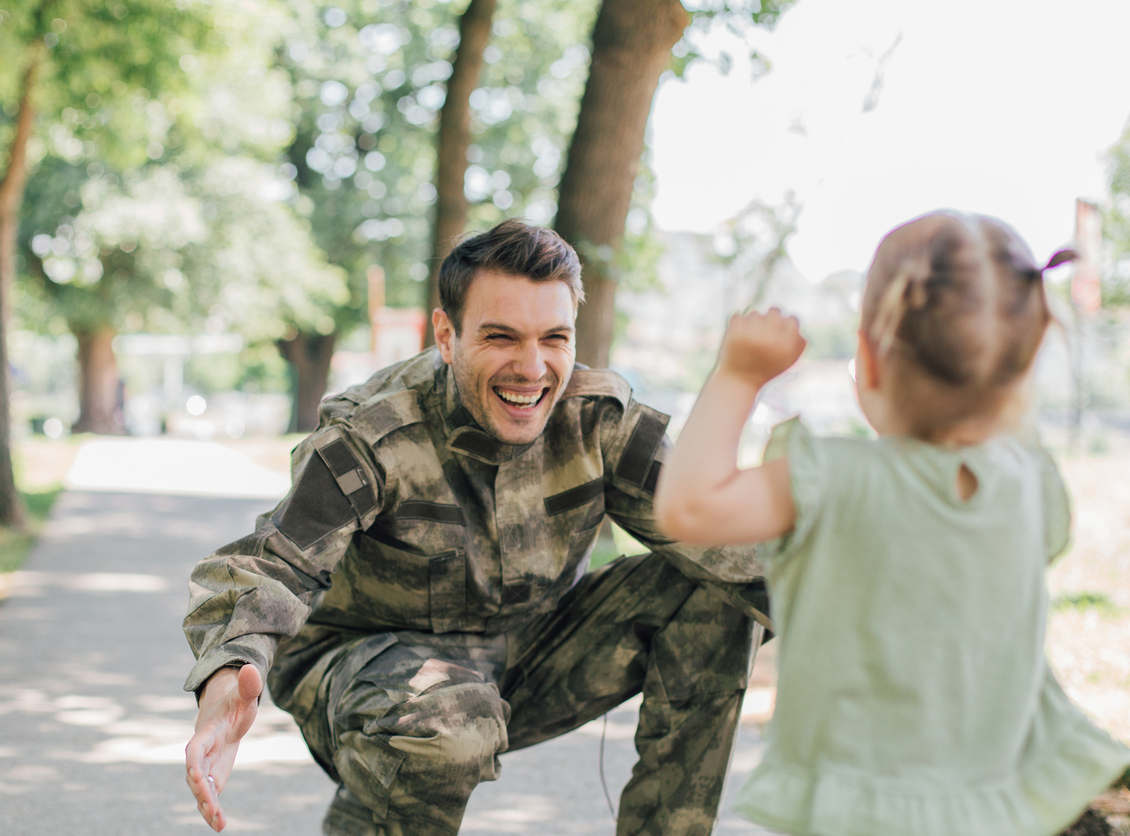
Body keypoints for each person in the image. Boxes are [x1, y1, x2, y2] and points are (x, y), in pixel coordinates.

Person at [183, 219, 770, 835]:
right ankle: (381, 803)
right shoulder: (375, 434)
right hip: (367, 671)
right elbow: (271, 563)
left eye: (554, 338)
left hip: (533, 652)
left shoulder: (601, 424)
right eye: (500, 337)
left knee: (718, 589)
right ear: (446, 334)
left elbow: (742, 548)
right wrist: (226, 674)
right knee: (449, 722)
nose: (532, 366)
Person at [654, 211, 1130, 836]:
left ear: (870, 362)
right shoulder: (1031, 483)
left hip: (862, 811)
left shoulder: (830, 480)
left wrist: (738, 375)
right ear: (1024, 363)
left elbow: (687, 507)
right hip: (1001, 804)